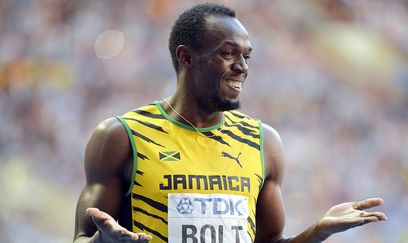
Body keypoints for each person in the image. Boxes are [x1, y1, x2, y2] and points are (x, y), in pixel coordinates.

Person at [73, 3, 387, 243]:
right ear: (186, 57)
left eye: (247, 56)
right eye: (228, 53)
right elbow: (82, 238)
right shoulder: (121, 136)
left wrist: (318, 231)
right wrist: (103, 241)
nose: (242, 67)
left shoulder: (263, 142)